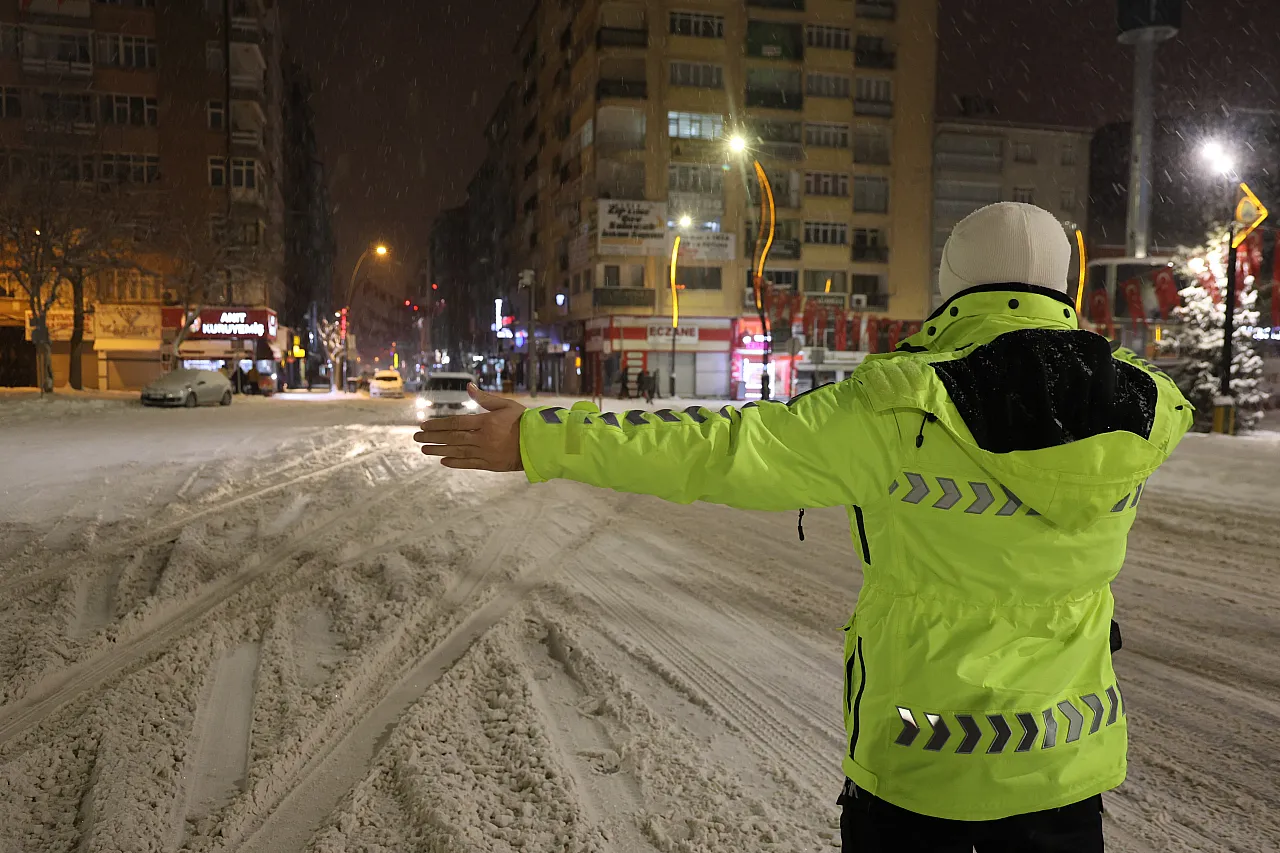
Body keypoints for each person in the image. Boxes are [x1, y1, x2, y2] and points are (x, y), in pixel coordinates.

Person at [414, 203, 1193, 852]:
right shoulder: (1137, 409)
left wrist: (543, 438)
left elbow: (720, 450)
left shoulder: (903, 406)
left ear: (953, 283)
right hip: (1068, 773)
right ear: (1063, 283)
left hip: (923, 771)